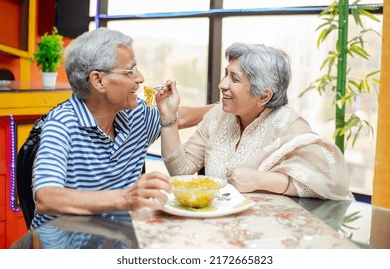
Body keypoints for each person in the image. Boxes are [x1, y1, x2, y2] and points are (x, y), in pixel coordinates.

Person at [31, 27, 212, 229]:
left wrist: (226, 107)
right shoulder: (61, 125)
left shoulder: (135, 115)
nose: (140, 78)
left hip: (117, 239)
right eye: (131, 71)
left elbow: (178, 116)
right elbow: (46, 198)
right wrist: (125, 198)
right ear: (98, 80)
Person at [156, 42, 354, 200]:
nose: (222, 84)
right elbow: (179, 171)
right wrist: (168, 117)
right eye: (226, 74)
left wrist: (263, 180)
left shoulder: (289, 124)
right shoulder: (217, 116)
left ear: (263, 96)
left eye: (234, 79)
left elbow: (331, 182)